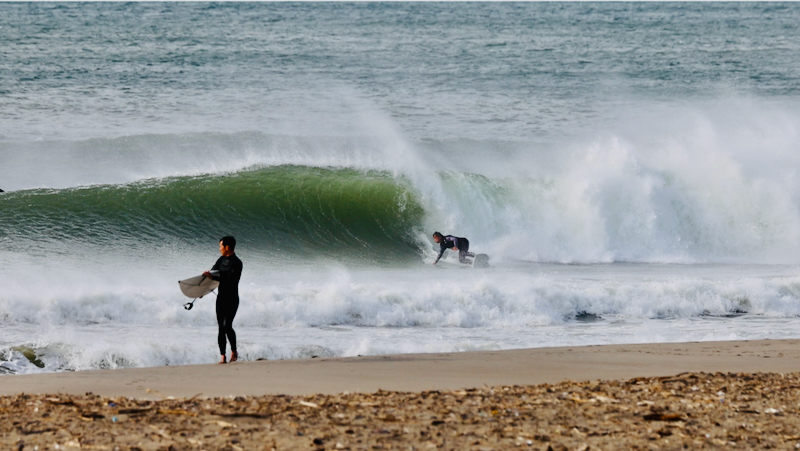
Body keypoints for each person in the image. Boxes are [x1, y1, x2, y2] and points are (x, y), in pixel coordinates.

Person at [203, 236, 243, 364]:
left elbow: (230, 280)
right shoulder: (220, 260)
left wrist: (212, 277)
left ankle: (234, 350)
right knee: (221, 327)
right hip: (221, 299)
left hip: (232, 299)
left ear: (227, 247)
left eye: (220, 246)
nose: (219, 249)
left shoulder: (237, 263)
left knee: (227, 325)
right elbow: (213, 275)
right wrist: (202, 291)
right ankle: (223, 356)